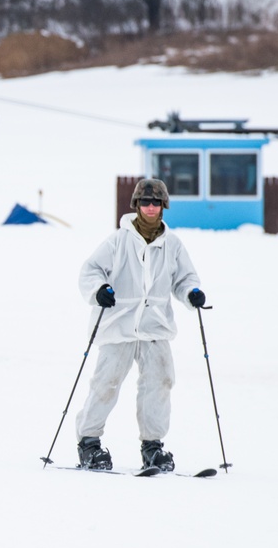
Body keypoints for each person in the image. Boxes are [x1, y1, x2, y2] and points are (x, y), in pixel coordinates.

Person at [74, 178, 206, 472]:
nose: (150, 207)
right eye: (144, 202)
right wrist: (99, 290)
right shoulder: (118, 240)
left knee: (159, 384)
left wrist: (191, 293)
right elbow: (90, 271)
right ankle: (89, 443)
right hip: (118, 325)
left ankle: (153, 447)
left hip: (155, 326)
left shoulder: (171, 244)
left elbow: (185, 278)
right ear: (136, 205)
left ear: (163, 206)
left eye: (155, 202)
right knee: (105, 384)